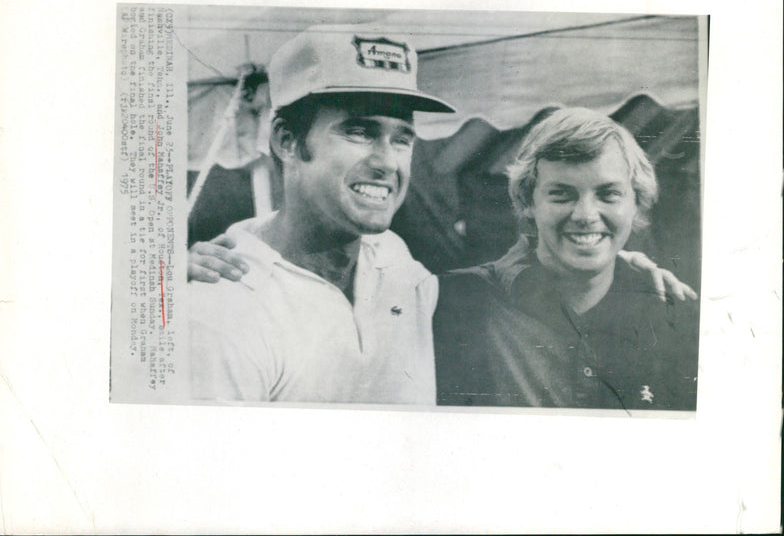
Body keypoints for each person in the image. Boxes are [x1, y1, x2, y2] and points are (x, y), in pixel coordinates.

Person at [187, 24, 455, 404]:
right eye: (359, 131)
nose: (387, 162)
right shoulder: (222, 309)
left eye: (402, 139)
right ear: (286, 140)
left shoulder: (397, 263)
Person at [432, 108, 700, 410]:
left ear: (636, 203)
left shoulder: (677, 316)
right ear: (528, 201)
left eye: (608, 194)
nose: (585, 215)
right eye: (562, 194)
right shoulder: (457, 303)